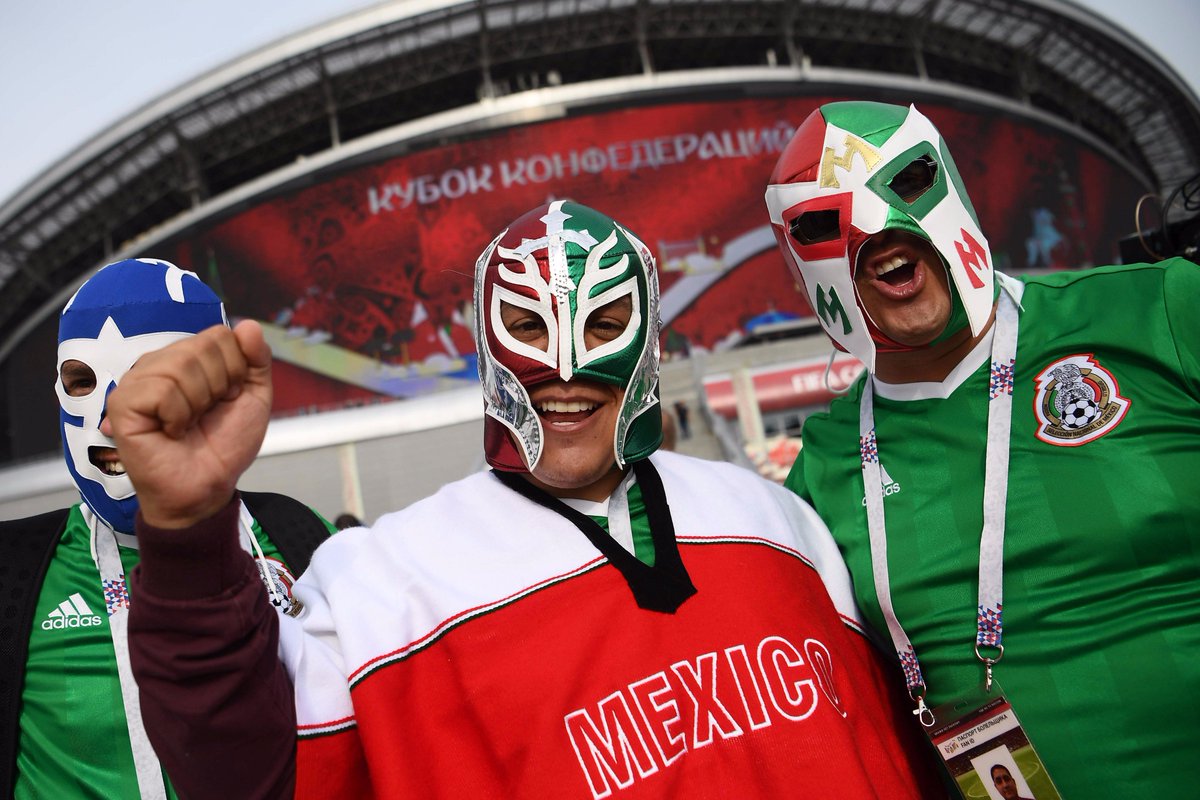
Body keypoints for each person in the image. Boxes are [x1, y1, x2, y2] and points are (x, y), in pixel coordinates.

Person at [113, 201, 942, 798]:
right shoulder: (378, 583)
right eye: (532, 329)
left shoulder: (775, 520)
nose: (567, 370)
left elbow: (888, 741)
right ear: (485, 341)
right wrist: (187, 536)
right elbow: (248, 773)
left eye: (607, 318)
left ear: (652, 337)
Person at [765, 100, 1200, 799]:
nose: (878, 230)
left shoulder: (1160, 311)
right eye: (824, 228)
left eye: (907, 185)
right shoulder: (823, 463)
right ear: (798, 272)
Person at [0, 258, 333, 799]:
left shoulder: (300, 536)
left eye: (150, 376)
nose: (114, 415)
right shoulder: (14, 575)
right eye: (82, 381)